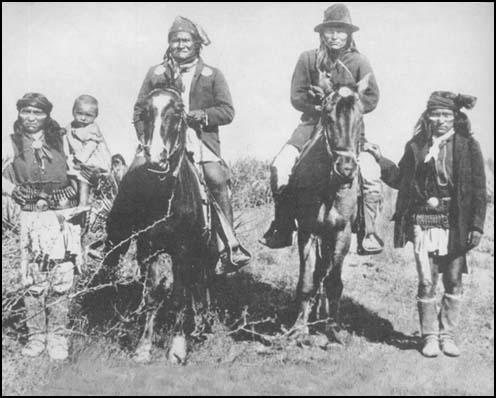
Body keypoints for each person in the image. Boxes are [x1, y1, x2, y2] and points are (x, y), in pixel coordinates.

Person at [366, 91, 486, 357]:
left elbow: (479, 190)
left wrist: (477, 226)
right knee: (427, 280)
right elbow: (399, 179)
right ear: (427, 116)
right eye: (436, 114)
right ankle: (429, 337)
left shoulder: (468, 146)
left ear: (456, 117)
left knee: (453, 279)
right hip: (424, 220)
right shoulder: (416, 146)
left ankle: (448, 336)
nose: (441, 119)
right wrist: (379, 158)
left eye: (447, 114)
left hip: (457, 223)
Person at [259, 3, 384, 254]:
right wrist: (322, 105)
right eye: (330, 31)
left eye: (341, 31)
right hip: (311, 125)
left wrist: (345, 103)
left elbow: (371, 97)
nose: (335, 36)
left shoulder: (359, 61)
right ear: (322, 33)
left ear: (349, 34)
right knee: (280, 166)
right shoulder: (308, 58)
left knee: (370, 172)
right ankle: (282, 226)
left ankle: (369, 232)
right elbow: (297, 96)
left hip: (348, 131)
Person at [132, 16, 250, 272]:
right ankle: (116, 238)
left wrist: (203, 115)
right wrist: (146, 140)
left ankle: (228, 246)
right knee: (133, 174)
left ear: (197, 44)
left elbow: (227, 111)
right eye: (175, 40)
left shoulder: (211, 74)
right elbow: (140, 110)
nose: (180, 45)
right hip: (160, 139)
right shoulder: (156, 73)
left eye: (186, 40)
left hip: (197, 138)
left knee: (215, 177)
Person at [2, 93, 83, 360]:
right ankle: (36, 336)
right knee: (34, 278)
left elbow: (82, 171)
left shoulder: (61, 139)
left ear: (47, 115)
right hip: (31, 216)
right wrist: (13, 190)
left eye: (37, 113)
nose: (31, 118)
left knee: (62, 277)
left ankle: (57, 337)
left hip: (62, 215)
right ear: (19, 114)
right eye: (26, 111)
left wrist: (80, 202)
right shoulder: (11, 142)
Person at [64, 95, 111, 206]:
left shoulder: (92, 128)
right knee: (71, 174)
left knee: (83, 178)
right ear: (73, 111)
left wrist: (80, 160)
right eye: (79, 113)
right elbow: (68, 141)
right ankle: (79, 196)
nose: (83, 118)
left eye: (88, 115)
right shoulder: (70, 126)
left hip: (94, 159)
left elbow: (91, 146)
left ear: (95, 116)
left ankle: (83, 203)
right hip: (78, 158)